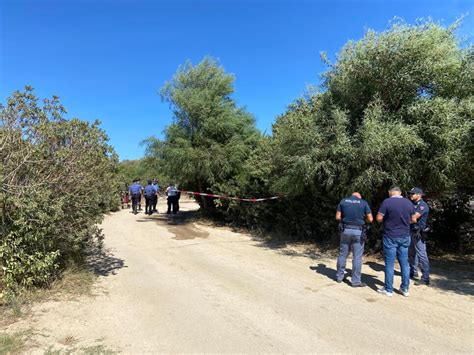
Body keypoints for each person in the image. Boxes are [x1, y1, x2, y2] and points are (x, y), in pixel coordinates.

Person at [376, 186, 417, 297]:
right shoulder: (409, 203)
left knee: (389, 263)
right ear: (400, 193)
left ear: (391, 192)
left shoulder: (387, 202)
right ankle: (405, 289)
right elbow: (414, 219)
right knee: (404, 263)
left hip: (390, 235)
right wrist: (404, 222)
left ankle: (389, 289)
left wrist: (388, 220)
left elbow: (379, 218)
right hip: (405, 235)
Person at [335, 192, 373, 287]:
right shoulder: (363, 202)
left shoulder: (343, 201)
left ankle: (339, 277)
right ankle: (355, 281)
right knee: (357, 257)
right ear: (359, 197)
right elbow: (371, 219)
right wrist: (364, 221)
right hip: (358, 232)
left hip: (345, 230)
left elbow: (337, 217)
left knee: (342, 254)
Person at [408, 187, 430, 286]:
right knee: (412, 253)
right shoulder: (412, 204)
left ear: (419, 195)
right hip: (411, 231)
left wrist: (401, 222)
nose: (411, 195)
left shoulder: (422, 205)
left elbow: (414, 218)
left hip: (418, 232)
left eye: (413, 194)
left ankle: (425, 277)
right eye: (410, 194)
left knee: (421, 255)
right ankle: (413, 271)